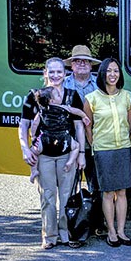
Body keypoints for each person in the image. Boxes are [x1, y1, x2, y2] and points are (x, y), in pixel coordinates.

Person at [18, 57, 86, 250]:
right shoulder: (34, 96)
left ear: (65, 74)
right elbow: (24, 125)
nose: (56, 75)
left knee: (66, 196)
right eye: (52, 71)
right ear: (45, 73)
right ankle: (49, 236)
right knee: (47, 196)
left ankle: (66, 234)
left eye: (59, 72)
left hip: (67, 154)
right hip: (44, 156)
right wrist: (25, 147)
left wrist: (80, 153)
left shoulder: (73, 96)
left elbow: (79, 126)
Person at [83, 58, 131, 248]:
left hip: (122, 147)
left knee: (122, 192)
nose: (112, 75)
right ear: (102, 74)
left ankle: (121, 231)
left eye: (116, 71)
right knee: (107, 193)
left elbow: (129, 124)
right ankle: (111, 231)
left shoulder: (127, 96)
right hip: (102, 150)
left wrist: (124, 140)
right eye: (108, 71)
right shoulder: (91, 99)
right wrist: (94, 144)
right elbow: (88, 126)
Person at [63, 44, 107, 237]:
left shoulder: (101, 84)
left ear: (91, 65)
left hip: (95, 141)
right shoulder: (61, 85)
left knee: (96, 185)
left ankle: (96, 224)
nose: (81, 64)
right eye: (77, 61)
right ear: (71, 65)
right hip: (68, 144)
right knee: (67, 186)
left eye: (85, 61)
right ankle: (68, 225)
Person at [29, 86, 90, 183]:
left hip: (45, 139)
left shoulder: (42, 111)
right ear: (52, 100)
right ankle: (70, 162)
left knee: (32, 152)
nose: (60, 96)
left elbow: (35, 124)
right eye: (57, 95)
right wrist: (84, 116)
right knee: (76, 146)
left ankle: (34, 171)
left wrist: (33, 135)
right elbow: (76, 111)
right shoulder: (64, 107)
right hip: (63, 138)